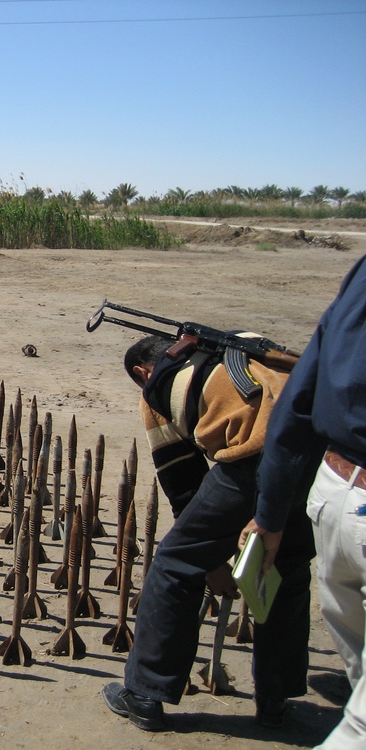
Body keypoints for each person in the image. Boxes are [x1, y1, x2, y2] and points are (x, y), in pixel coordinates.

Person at [102, 333, 314, 731]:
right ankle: (275, 700)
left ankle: (145, 694)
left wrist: (209, 561)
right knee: (285, 567)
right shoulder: (242, 347)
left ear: (141, 372)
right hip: (311, 457)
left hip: (254, 461)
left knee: (174, 564)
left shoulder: (157, 386)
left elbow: (184, 483)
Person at [243, 256, 366, 749]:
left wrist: (270, 516)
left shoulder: (361, 274)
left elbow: (296, 404)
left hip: (333, 495)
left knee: (359, 670)